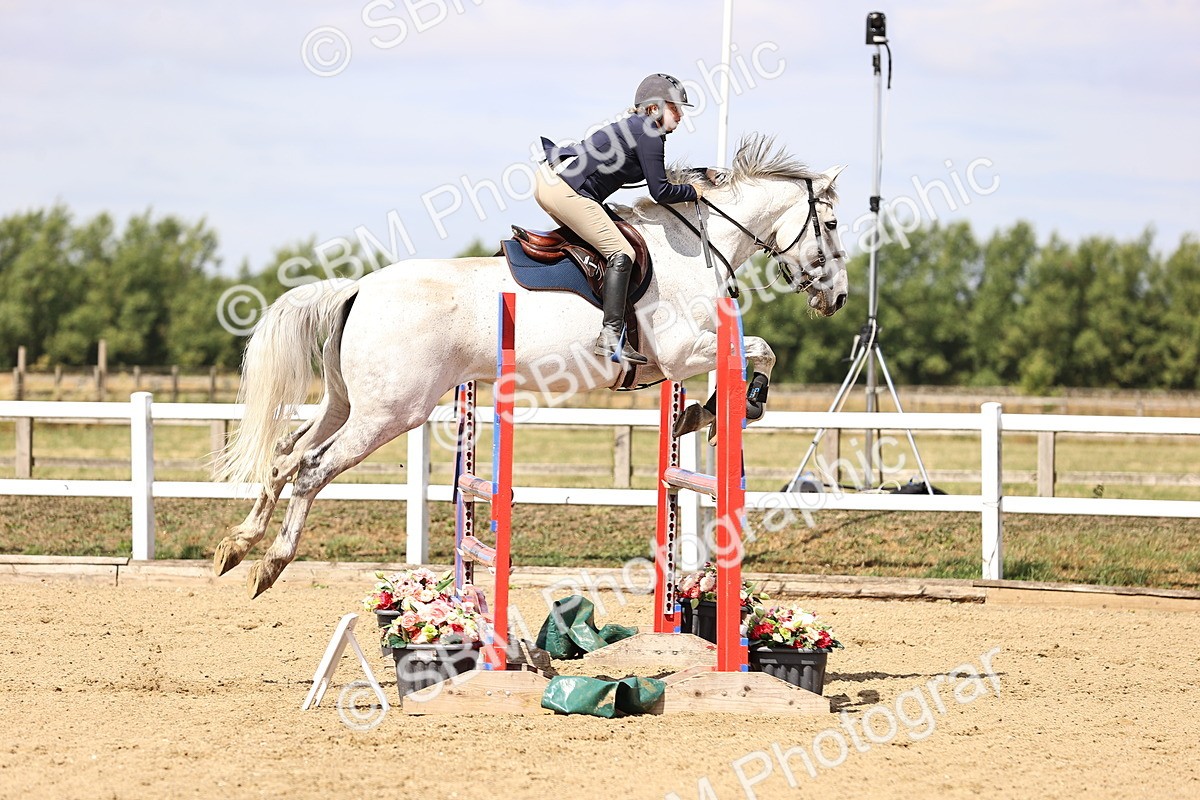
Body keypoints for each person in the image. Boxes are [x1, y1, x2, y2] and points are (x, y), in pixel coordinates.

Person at [534, 73, 705, 366]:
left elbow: (657, 179)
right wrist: (694, 191)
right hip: (567, 192)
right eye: (675, 108)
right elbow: (660, 191)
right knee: (622, 252)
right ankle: (611, 335)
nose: (680, 116)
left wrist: (698, 173)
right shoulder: (650, 134)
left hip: (551, 182)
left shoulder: (637, 128)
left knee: (611, 235)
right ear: (654, 108)